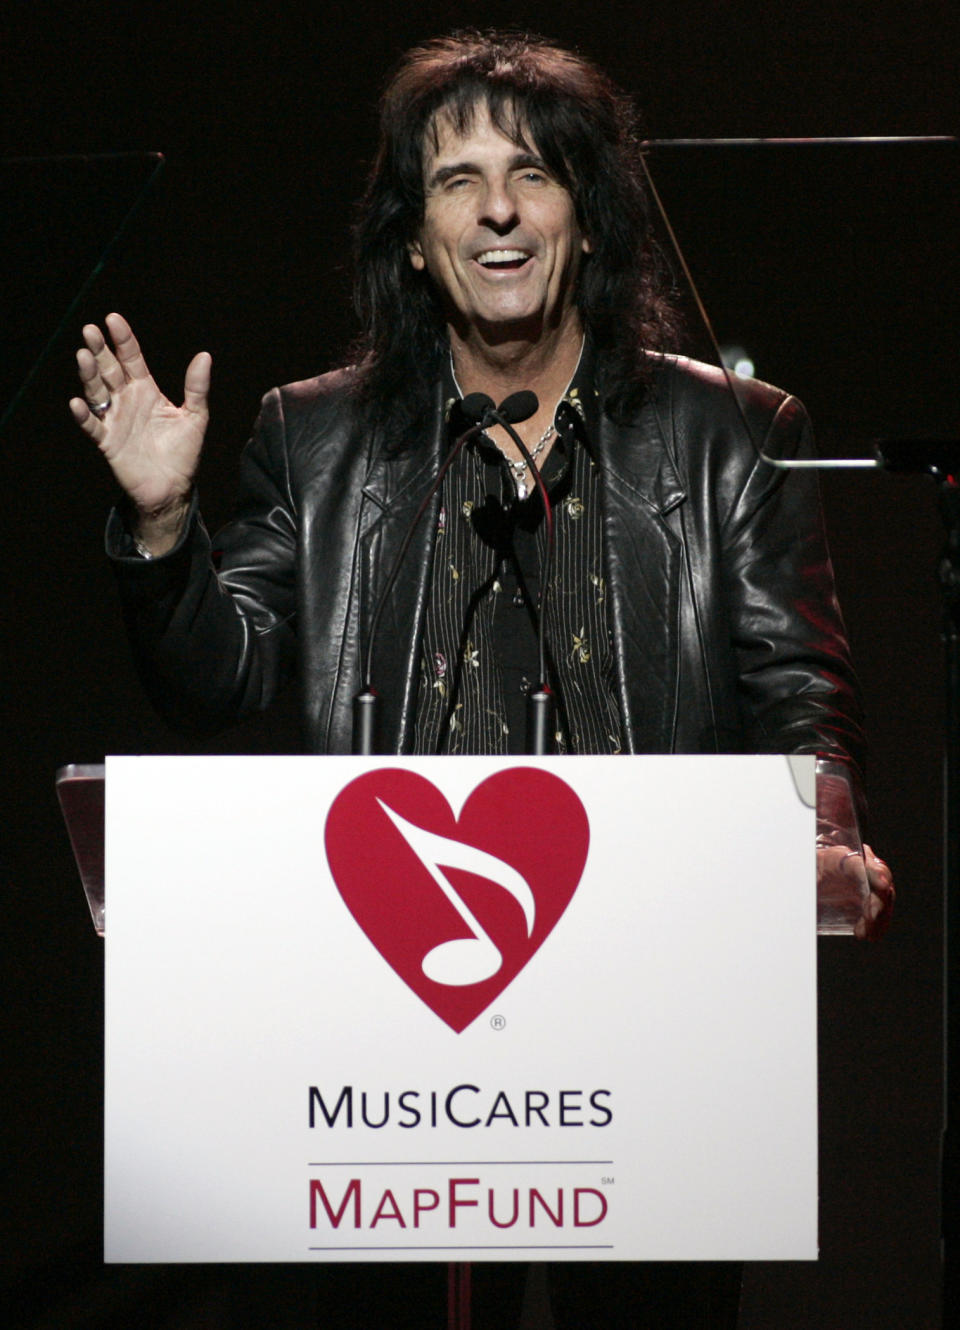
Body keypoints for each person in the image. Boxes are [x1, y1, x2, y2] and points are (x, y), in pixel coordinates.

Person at [69, 30, 894, 1326]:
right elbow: (220, 676)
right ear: (413, 235)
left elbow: (801, 697)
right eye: (457, 181)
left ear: (592, 220)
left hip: (650, 1014)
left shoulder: (733, 436)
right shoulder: (314, 435)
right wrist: (167, 529)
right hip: (382, 1033)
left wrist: (829, 838)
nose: (498, 207)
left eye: (535, 174)